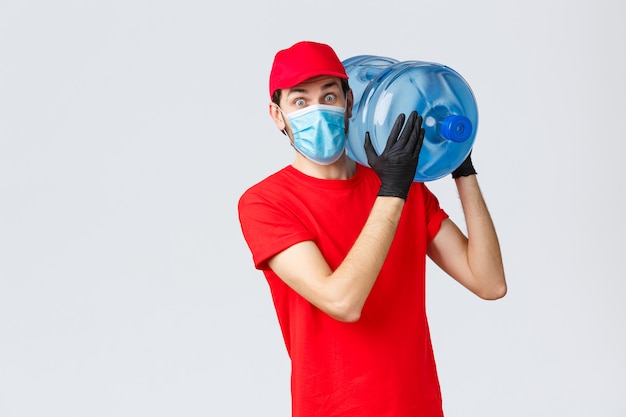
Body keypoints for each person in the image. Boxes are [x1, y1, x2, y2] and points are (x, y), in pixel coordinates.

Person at [237, 40, 506, 417]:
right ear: (277, 115)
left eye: (329, 96)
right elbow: (342, 302)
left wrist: (461, 166)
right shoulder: (266, 203)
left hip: (418, 407)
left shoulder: (403, 188)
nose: (318, 109)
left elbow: (490, 282)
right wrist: (393, 190)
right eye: (300, 101)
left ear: (349, 102)